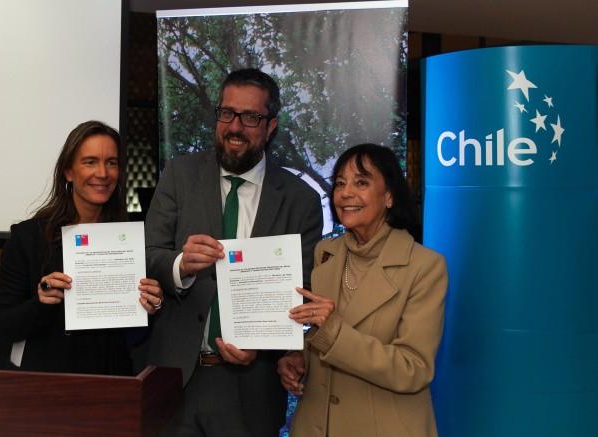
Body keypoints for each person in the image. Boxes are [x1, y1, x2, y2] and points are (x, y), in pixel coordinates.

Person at [145, 68, 323, 437]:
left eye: (250, 117)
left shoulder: (299, 199)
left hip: (250, 388)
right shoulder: (180, 175)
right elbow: (149, 253)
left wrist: (261, 343)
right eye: (226, 113)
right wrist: (181, 265)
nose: (235, 126)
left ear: (271, 125)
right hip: (174, 377)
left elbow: (302, 285)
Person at [278, 144, 448, 437]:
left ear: (390, 195)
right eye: (340, 183)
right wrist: (298, 358)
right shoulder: (325, 253)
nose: (345, 193)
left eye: (361, 182)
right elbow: (322, 340)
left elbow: (413, 368)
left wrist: (333, 333)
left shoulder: (425, 266)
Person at [0, 120, 163, 375]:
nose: (103, 173)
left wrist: (151, 305)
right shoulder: (28, 237)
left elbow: (134, 333)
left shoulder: (128, 239)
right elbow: (1, 326)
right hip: (45, 384)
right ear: (69, 172)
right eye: (90, 162)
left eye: (111, 162)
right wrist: (41, 302)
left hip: (111, 381)